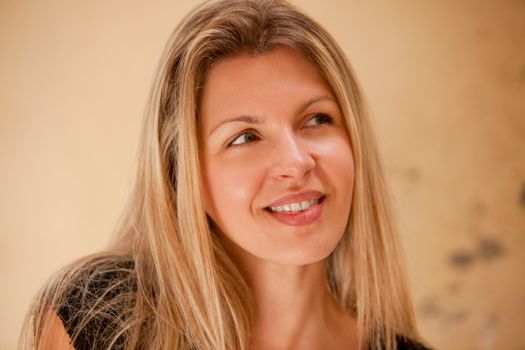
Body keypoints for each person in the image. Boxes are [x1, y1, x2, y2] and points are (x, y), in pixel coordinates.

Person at [19, 0, 431, 349]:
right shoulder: (102, 318)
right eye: (245, 137)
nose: (297, 161)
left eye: (317, 119)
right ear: (182, 177)